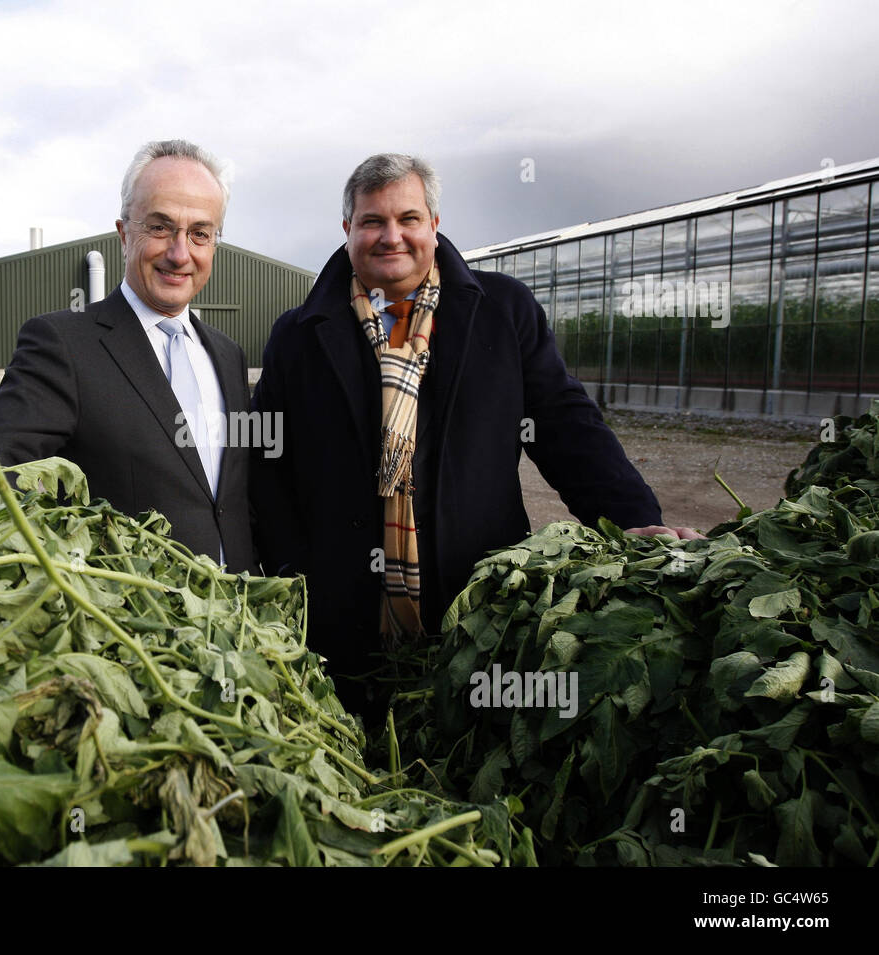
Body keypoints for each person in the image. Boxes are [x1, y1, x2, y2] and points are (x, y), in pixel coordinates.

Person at [250, 152, 697, 717]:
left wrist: (632, 519)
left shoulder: (500, 311)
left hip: (481, 608)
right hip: (343, 620)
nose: (392, 237)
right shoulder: (298, 334)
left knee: (467, 764)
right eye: (372, 222)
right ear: (347, 231)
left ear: (434, 226)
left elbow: (564, 424)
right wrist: (297, 573)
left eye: (408, 219)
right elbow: (267, 460)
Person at [0, 140, 254, 572]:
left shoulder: (227, 355)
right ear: (124, 234)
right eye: (160, 227)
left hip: (237, 617)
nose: (179, 252)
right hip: (134, 623)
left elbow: (232, 498)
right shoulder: (62, 345)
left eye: (199, 234)